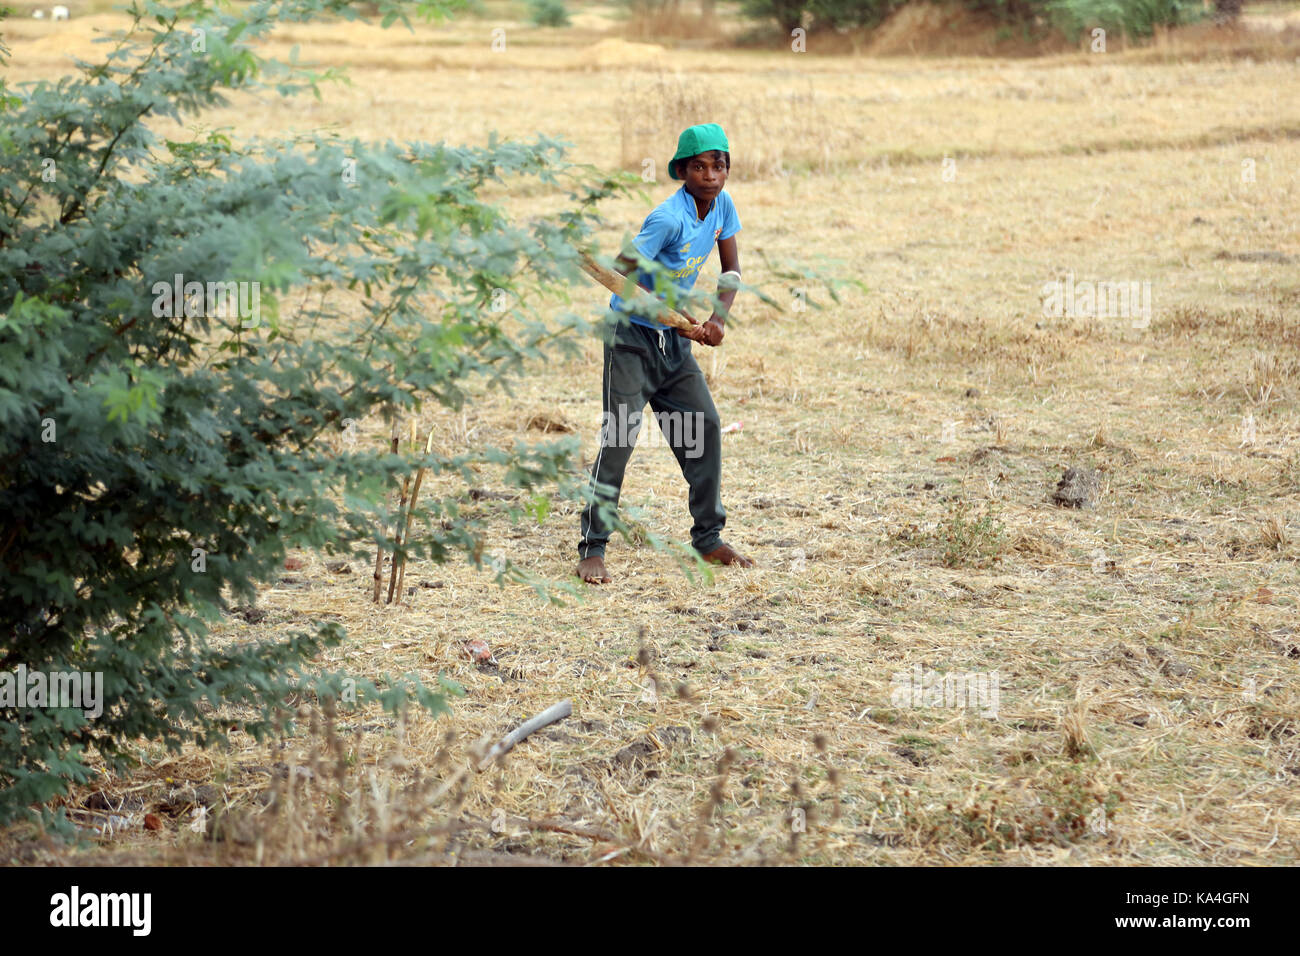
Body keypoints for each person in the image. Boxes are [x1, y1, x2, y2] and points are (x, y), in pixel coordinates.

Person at [576, 122, 755, 585]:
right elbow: (620, 272)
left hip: (673, 344)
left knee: (705, 427)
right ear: (682, 171)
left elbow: (732, 269)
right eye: (700, 166)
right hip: (632, 340)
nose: (711, 174)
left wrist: (717, 318)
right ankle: (593, 547)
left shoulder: (723, 207)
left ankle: (708, 539)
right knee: (620, 438)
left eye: (719, 164)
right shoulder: (666, 219)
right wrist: (662, 313)